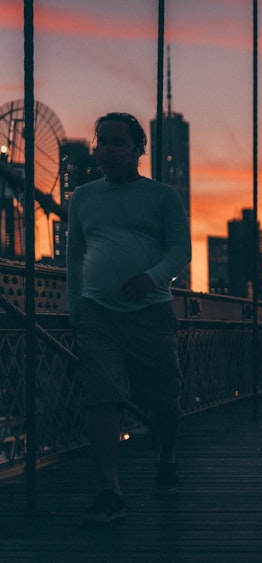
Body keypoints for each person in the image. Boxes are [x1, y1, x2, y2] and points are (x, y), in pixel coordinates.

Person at [67, 112, 192, 524]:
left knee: (164, 401)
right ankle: (110, 490)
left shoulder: (162, 196)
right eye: (101, 140)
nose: (106, 148)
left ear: (139, 149)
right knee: (100, 398)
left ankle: (167, 457)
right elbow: (74, 258)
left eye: (117, 141)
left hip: (150, 312)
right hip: (97, 315)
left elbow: (180, 252)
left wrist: (152, 278)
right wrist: (76, 307)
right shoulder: (82, 198)